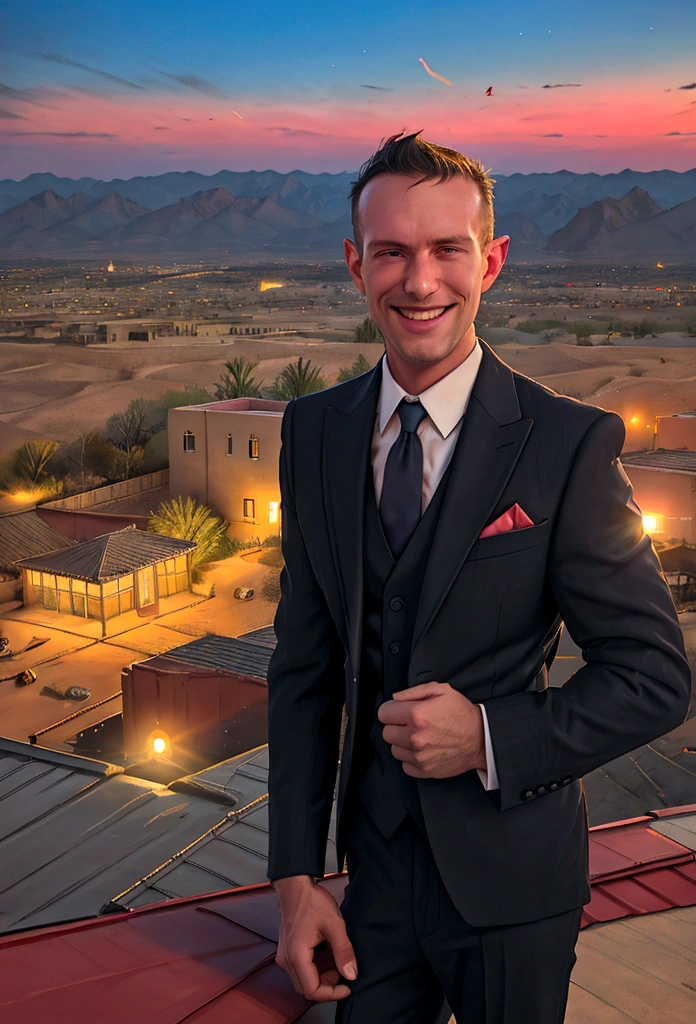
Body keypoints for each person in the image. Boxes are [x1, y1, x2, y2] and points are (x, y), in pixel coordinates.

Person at [266, 132, 691, 1024]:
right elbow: (303, 675)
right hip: (369, 888)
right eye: (391, 252)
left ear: (489, 262)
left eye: (446, 250)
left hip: (515, 890)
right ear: (356, 265)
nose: (419, 283)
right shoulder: (311, 434)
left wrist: (489, 739)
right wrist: (296, 880)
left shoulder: (570, 445)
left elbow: (654, 678)